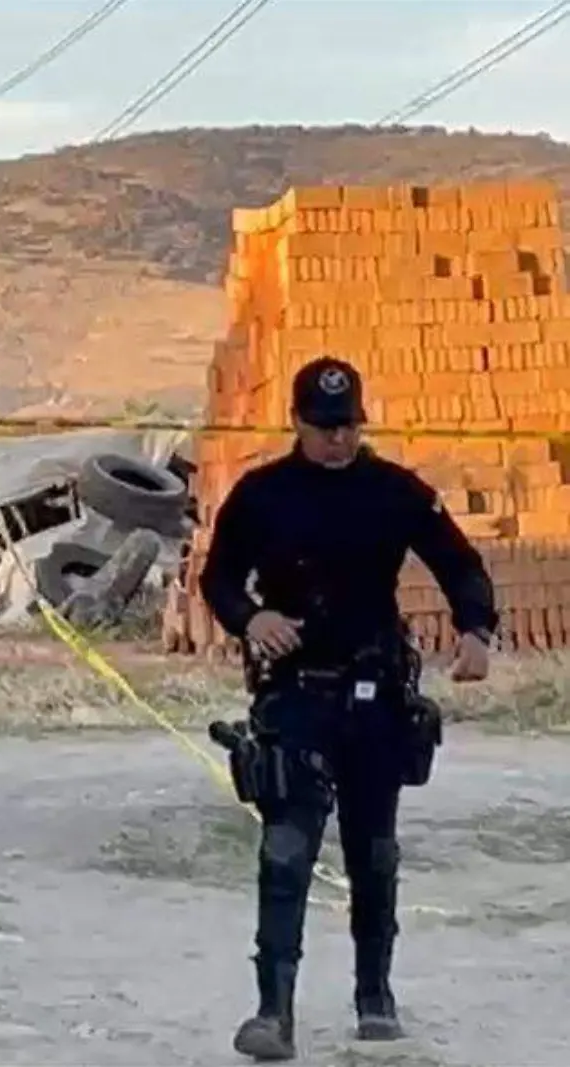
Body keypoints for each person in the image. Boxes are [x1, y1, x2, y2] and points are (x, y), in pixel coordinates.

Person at [198, 356, 496, 1062]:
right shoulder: (262, 494)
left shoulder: (394, 491)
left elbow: (459, 562)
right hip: (297, 691)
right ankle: (274, 1012)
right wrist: (250, 618)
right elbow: (217, 575)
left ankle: (375, 996)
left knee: (374, 852)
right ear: (296, 422)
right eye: (325, 427)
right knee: (287, 848)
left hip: (375, 694)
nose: (338, 439)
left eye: (348, 426)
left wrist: (477, 628)